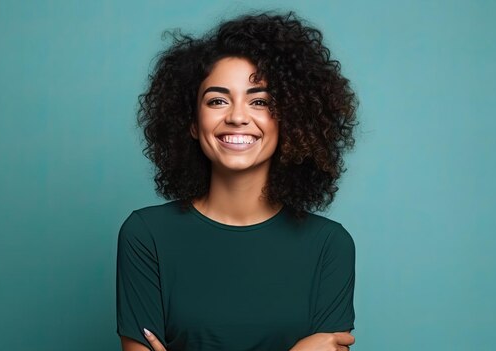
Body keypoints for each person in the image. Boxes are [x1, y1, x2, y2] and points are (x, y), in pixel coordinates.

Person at [117, 11, 359, 351]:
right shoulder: (146, 236)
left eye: (259, 101)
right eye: (217, 100)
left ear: (290, 120)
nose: (237, 116)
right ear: (191, 121)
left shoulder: (329, 246)